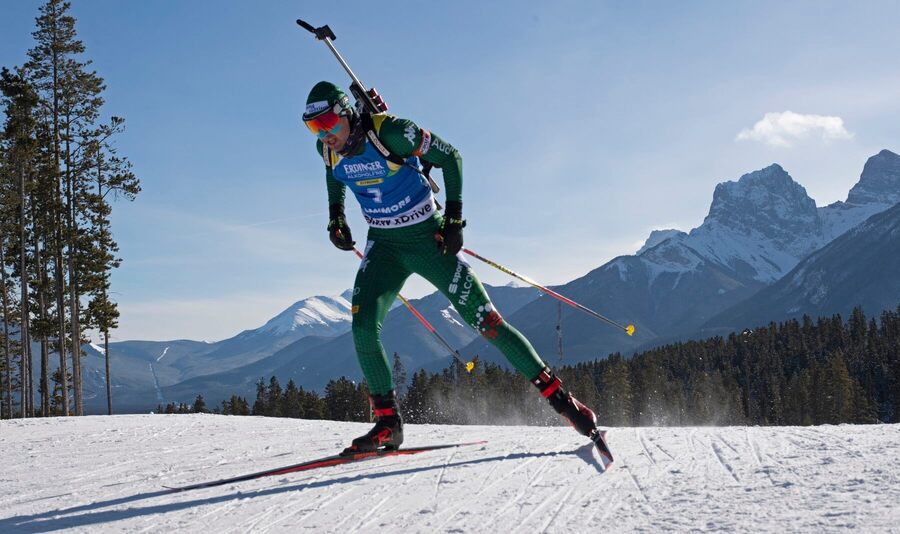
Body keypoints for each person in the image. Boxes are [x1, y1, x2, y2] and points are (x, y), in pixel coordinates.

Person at [302, 81, 599, 454]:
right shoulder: (327, 151)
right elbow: (334, 175)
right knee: (362, 327)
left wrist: (455, 219)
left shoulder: (391, 132)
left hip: (428, 241)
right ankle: (388, 424)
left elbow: (451, 156)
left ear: (347, 112)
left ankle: (563, 401)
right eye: (314, 128)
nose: (324, 135)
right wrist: (336, 216)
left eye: (328, 123)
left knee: (488, 324)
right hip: (384, 247)